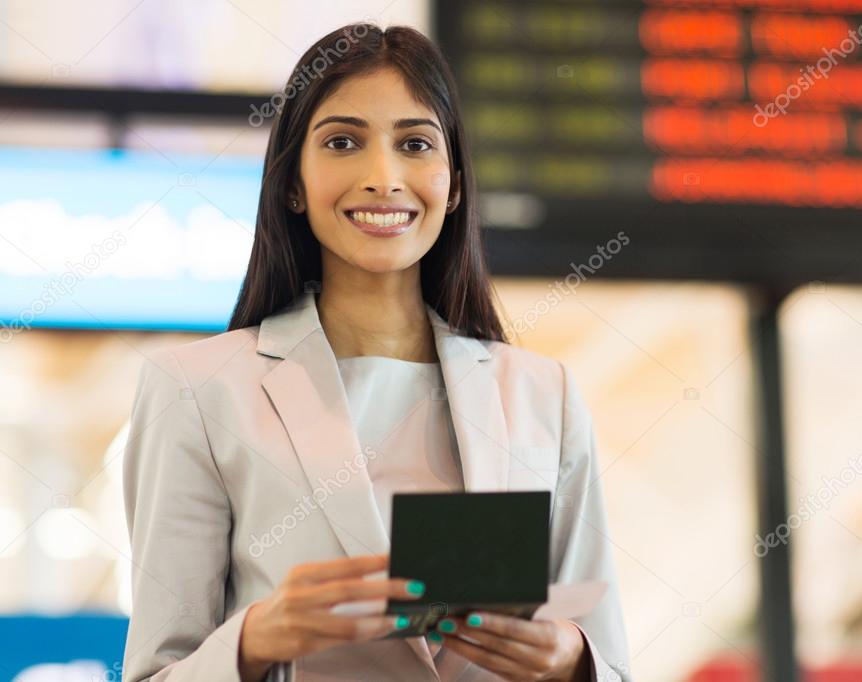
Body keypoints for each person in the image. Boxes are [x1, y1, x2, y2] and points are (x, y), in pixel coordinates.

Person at [121, 23, 630, 682]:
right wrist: (255, 638)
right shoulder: (195, 390)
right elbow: (156, 672)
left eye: (415, 144)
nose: (382, 177)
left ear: (453, 187)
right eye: (342, 142)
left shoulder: (542, 393)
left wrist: (571, 661)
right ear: (293, 185)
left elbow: (607, 653)